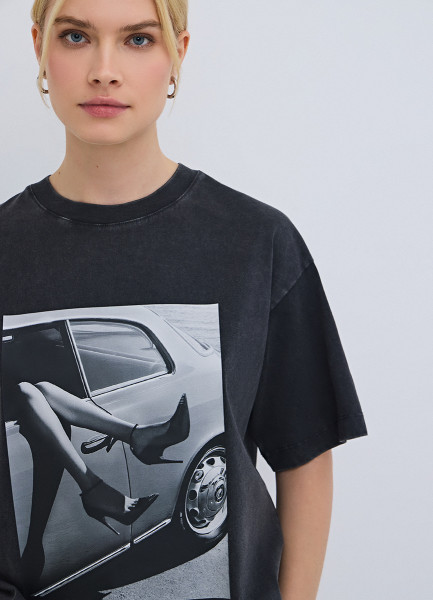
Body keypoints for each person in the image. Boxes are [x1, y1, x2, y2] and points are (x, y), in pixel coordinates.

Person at [0, 0, 368, 599]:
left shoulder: (255, 243)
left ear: (178, 55)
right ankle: (127, 452)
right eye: (76, 36)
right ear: (40, 47)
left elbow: (303, 456)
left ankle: (114, 469)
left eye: (138, 40)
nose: (104, 70)